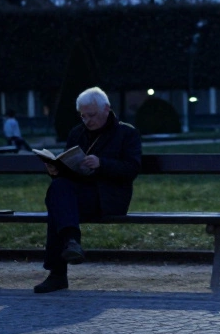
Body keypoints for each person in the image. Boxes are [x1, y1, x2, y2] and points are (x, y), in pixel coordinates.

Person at [34, 87, 141, 294]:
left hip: (110, 198)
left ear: (106, 109)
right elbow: (68, 173)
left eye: (91, 115)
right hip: (80, 195)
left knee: (58, 205)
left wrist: (102, 163)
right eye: (83, 116)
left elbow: (132, 169)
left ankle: (58, 274)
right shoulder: (77, 133)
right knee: (58, 188)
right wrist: (56, 170)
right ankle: (71, 242)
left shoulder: (127, 133)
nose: (87, 121)